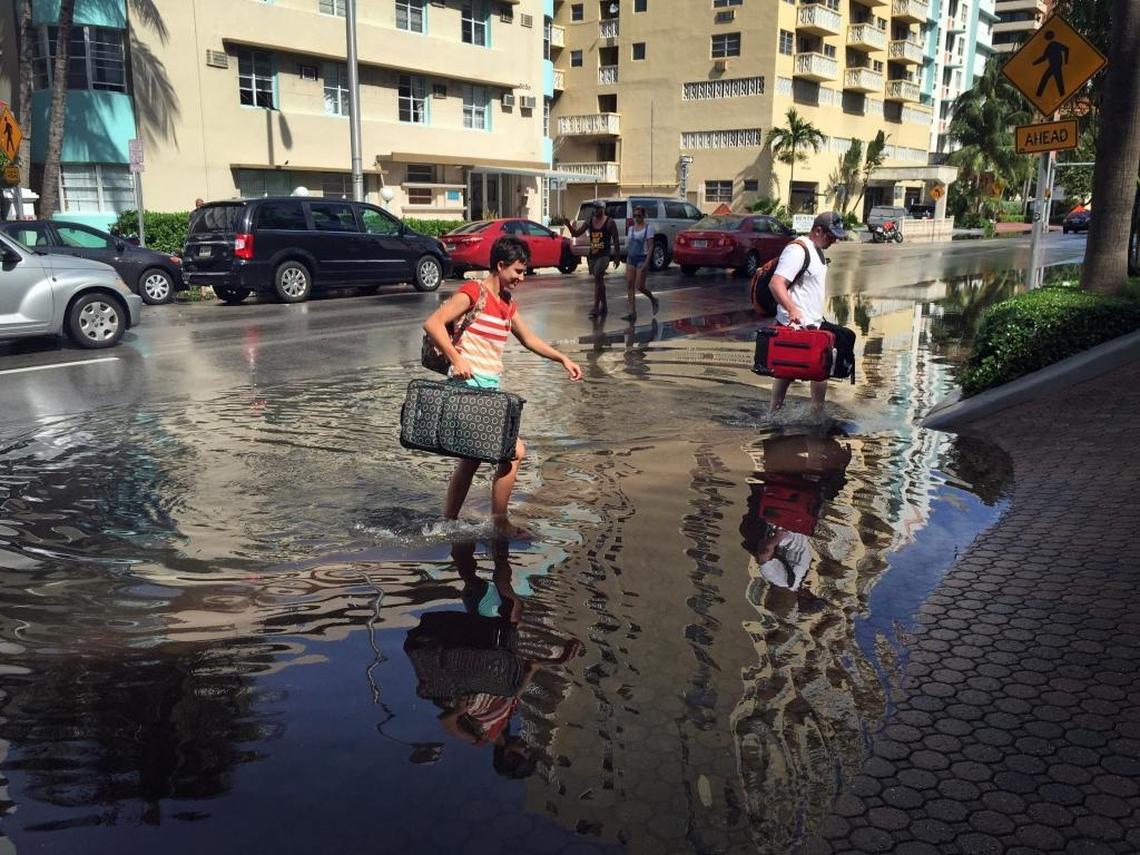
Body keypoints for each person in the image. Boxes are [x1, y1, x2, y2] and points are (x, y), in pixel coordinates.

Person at [423, 236, 583, 527]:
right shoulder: (474, 292)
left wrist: (562, 358)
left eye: (524, 271)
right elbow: (433, 323)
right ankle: (499, 521)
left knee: (471, 461)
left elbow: (529, 339)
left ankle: (447, 520)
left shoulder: (507, 305)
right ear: (500, 265)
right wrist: (456, 359)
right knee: (513, 452)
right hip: (466, 391)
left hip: (489, 392)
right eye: (518, 271)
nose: (522, 277)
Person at [767, 211, 856, 416]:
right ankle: (775, 413)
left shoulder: (817, 251)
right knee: (788, 371)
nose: (834, 241)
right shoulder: (797, 250)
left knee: (819, 369)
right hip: (795, 324)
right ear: (818, 230)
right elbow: (776, 283)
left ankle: (815, 412)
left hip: (813, 322)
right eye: (832, 236)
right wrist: (792, 310)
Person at [568, 202, 620, 318]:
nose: (595, 210)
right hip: (593, 255)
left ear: (603, 209)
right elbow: (576, 234)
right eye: (594, 208)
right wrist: (568, 225)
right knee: (599, 281)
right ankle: (604, 306)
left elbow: (616, 240)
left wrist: (616, 257)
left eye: (598, 208)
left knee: (598, 277)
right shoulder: (590, 221)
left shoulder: (610, 222)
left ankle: (596, 307)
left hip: (604, 255)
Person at [621, 206, 660, 322]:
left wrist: (646, 263)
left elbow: (650, 246)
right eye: (635, 216)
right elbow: (629, 244)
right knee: (629, 284)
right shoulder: (631, 229)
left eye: (639, 216)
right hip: (631, 258)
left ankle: (653, 299)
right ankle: (632, 312)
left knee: (640, 286)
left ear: (643, 216)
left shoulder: (648, 229)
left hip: (641, 258)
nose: (637, 218)